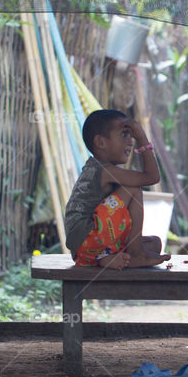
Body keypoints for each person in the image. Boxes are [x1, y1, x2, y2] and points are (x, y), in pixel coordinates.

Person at [64, 109, 170, 269]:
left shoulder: (99, 168)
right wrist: (142, 138)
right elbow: (152, 177)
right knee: (133, 190)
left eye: (131, 135)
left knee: (154, 243)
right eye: (124, 134)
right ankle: (134, 254)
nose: (130, 141)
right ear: (100, 142)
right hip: (88, 234)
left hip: (85, 248)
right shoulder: (106, 171)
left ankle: (106, 259)